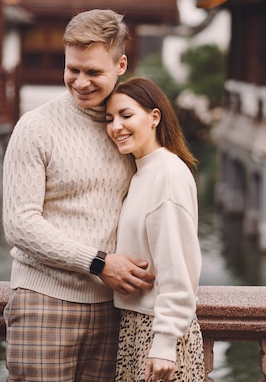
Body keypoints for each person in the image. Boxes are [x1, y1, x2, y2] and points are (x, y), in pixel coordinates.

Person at [2, 9, 155, 382]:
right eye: (73, 69)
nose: (81, 82)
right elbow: (19, 224)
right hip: (43, 304)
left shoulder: (126, 130)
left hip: (113, 308)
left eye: (94, 72)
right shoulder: (36, 127)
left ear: (121, 64)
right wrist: (100, 263)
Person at [105, 77, 205, 382]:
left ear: (154, 116)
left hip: (158, 333)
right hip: (137, 326)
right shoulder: (141, 171)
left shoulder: (168, 173)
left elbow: (178, 264)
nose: (116, 127)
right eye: (109, 119)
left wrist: (164, 342)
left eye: (126, 115)